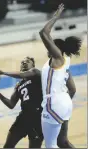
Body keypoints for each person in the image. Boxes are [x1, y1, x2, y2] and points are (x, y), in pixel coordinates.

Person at [39, 3, 81, 148]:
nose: (47, 47)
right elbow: (73, 89)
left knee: (50, 146)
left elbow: (43, 33)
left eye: (50, 45)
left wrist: (56, 16)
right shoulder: (65, 64)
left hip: (54, 105)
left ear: (55, 49)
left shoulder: (57, 59)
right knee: (62, 142)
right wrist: (62, 102)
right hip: (65, 104)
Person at [0, 57, 43, 148]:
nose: (24, 63)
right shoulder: (19, 85)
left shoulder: (36, 72)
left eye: (27, 61)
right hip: (23, 117)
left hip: (37, 118)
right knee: (8, 146)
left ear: (33, 65)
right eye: (22, 62)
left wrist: (3, 72)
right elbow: (11, 104)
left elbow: (22, 75)